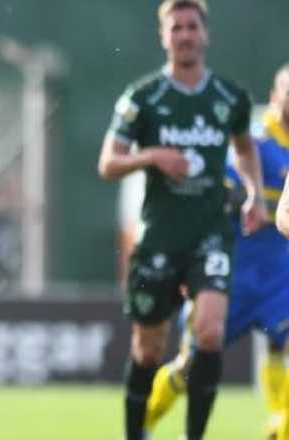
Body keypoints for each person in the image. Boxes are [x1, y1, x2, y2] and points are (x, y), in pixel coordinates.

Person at [96, 1, 267, 438]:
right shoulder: (143, 97)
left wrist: (253, 194)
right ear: (164, 36)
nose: (185, 35)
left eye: (193, 27)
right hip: (158, 237)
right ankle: (136, 433)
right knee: (148, 349)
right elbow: (108, 164)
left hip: (211, 232)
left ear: (205, 34)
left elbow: (246, 148)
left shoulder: (230, 97)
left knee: (209, 333)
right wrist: (153, 156)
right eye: (177, 28)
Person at [142, 62, 289, 438]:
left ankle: (280, 425)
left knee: (280, 348)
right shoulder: (252, 145)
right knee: (191, 364)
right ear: (274, 96)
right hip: (234, 276)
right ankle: (143, 419)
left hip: (279, 279)